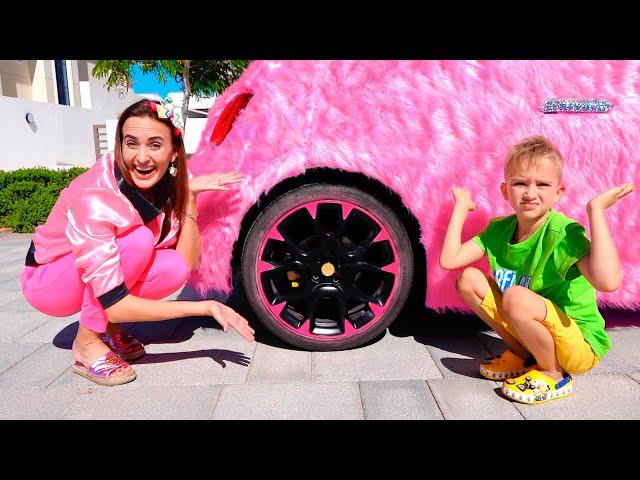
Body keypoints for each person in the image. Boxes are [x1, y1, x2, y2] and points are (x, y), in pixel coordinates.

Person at [19, 98, 255, 386]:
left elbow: (188, 262)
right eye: (132, 144)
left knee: (173, 267)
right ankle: (87, 343)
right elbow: (117, 300)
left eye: (155, 145)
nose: (142, 158)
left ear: (173, 152)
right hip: (47, 281)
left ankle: (109, 328)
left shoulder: (172, 184)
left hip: (89, 275)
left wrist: (190, 198)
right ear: (119, 147)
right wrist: (205, 307)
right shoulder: (97, 196)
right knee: (138, 241)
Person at [439, 136, 634, 404]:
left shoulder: (563, 233)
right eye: (520, 183)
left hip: (578, 344)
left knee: (516, 297)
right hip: (536, 327)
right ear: (506, 191)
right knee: (468, 279)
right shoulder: (499, 230)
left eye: (542, 184)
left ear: (558, 192)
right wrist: (460, 208)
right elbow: (450, 260)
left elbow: (608, 282)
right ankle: (524, 354)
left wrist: (596, 211)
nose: (530, 193)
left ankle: (553, 373)